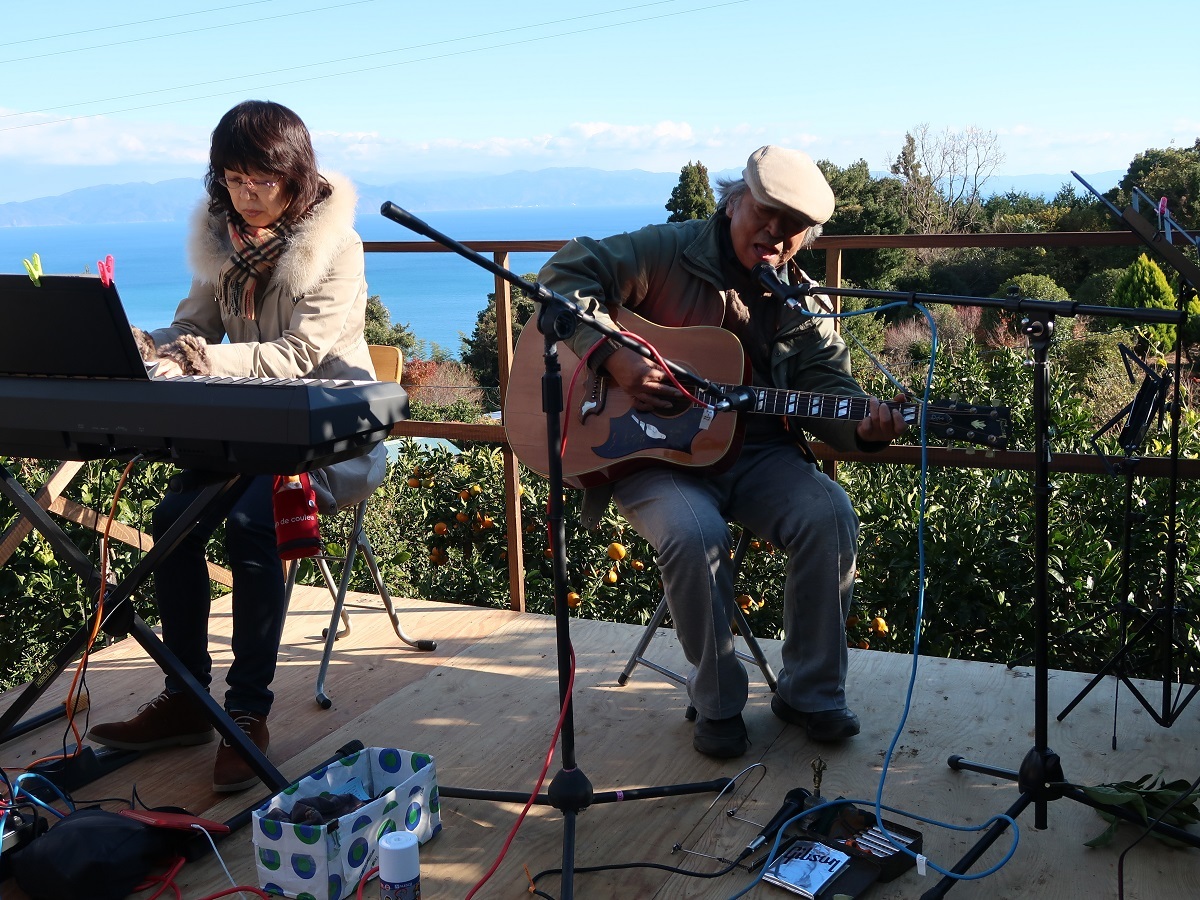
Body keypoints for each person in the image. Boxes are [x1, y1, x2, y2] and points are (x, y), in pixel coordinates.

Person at [537, 145, 908, 758]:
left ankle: (810, 693)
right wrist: (614, 357)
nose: (773, 234)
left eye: (792, 229)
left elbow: (832, 388)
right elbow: (561, 276)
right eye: (764, 214)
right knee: (692, 533)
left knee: (829, 514)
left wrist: (864, 429)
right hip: (654, 454)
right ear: (735, 199)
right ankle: (716, 702)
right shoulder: (666, 250)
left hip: (759, 457)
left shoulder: (803, 304)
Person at [88, 100, 386, 791]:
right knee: (171, 524)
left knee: (254, 524)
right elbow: (193, 323)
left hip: (331, 426)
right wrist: (141, 345)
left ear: (297, 177)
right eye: (233, 180)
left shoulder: (335, 244)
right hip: (246, 422)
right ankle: (185, 700)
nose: (247, 196)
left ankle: (246, 712)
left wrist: (203, 360)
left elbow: (300, 355)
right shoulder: (220, 238)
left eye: (264, 181)